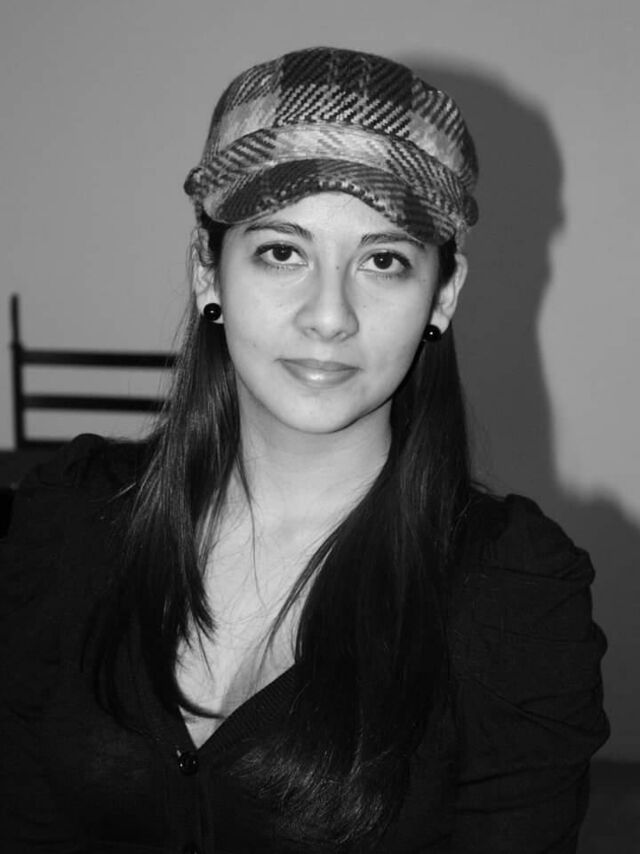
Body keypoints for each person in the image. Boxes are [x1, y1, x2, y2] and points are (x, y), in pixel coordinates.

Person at [0, 47, 608, 853]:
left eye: (384, 261)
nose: (329, 315)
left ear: (443, 294)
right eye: (282, 251)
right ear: (208, 270)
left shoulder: (511, 598)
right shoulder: (69, 521)